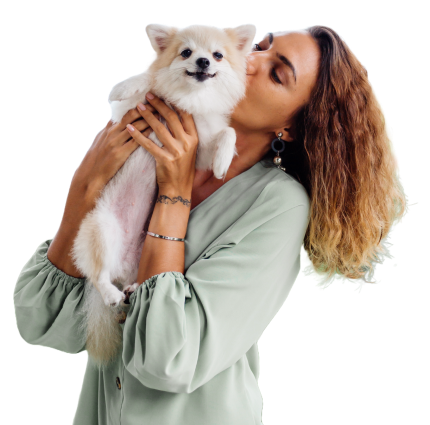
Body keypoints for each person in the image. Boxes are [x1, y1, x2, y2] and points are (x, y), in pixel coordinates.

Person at [13, 25, 407, 424]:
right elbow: (44, 325)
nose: (250, 61)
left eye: (277, 73)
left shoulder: (279, 205)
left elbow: (166, 360)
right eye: (260, 46)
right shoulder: (145, 147)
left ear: (290, 126)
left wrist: (175, 193)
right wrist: (85, 186)